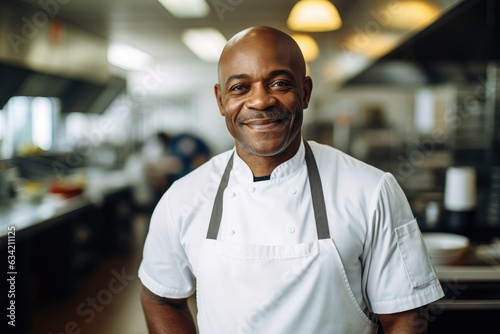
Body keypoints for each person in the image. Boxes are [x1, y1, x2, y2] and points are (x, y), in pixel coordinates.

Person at [138, 26, 444, 334]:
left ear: (306, 92)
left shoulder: (372, 191)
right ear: (220, 100)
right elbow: (161, 298)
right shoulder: (183, 197)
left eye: (280, 83)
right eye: (240, 88)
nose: (260, 101)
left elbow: (405, 316)